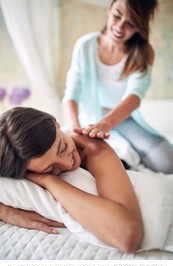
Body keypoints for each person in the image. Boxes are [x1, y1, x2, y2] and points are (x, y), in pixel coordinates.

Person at [0, 106, 143, 253]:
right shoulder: (18, 159)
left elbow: (127, 236)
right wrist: (4, 211)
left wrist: (49, 180)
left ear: (56, 123)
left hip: (125, 156)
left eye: (62, 147)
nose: (68, 164)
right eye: (50, 168)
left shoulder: (94, 148)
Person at [63, 0, 173, 174]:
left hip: (125, 119)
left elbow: (135, 96)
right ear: (109, 8)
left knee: (167, 162)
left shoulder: (144, 53)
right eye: (117, 16)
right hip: (92, 116)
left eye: (131, 23)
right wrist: (75, 129)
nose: (120, 27)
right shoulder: (85, 46)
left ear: (140, 27)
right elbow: (71, 93)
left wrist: (106, 124)